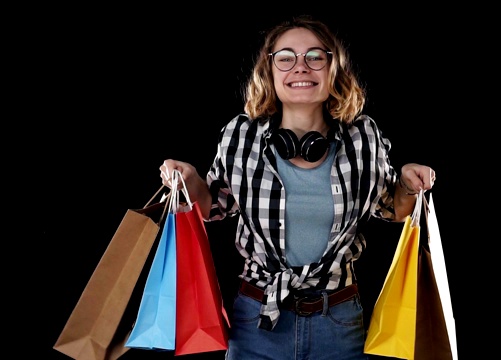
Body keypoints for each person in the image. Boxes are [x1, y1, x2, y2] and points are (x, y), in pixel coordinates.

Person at [160, 15, 436, 360]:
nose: (301, 67)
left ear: (333, 68)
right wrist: (188, 181)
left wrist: (408, 184)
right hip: (256, 319)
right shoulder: (241, 134)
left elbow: (390, 208)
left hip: (338, 319)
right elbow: (214, 206)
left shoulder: (363, 135)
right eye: (286, 57)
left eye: (315, 57)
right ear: (270, 71)